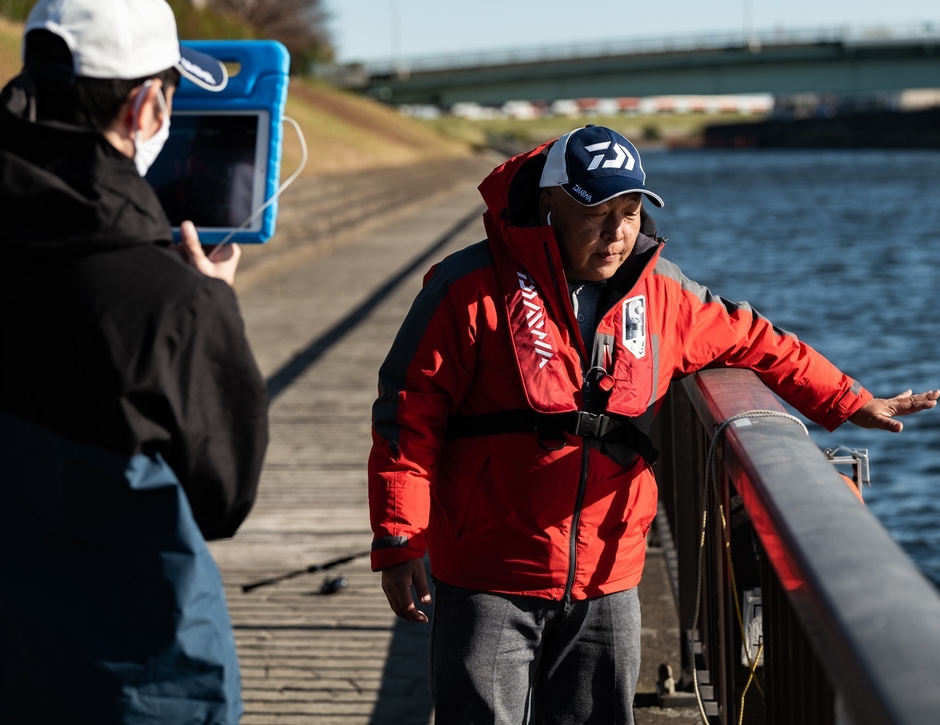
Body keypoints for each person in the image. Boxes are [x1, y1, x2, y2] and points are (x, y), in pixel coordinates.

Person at [367, 125, 938, 724]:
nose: (617, 232)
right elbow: (407, 417)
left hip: (609, 575)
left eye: (631, 211)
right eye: (597, 213)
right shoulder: (466, 288)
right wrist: (399, 541)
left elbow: (756, 338)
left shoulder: (666, 296)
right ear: (548, 205)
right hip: (488, 574)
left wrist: (848, 400)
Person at [0, 1, 267, 723]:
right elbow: (223, 497)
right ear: (147, 104)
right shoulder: (176, 304)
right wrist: (216, 312)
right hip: (140, 677)